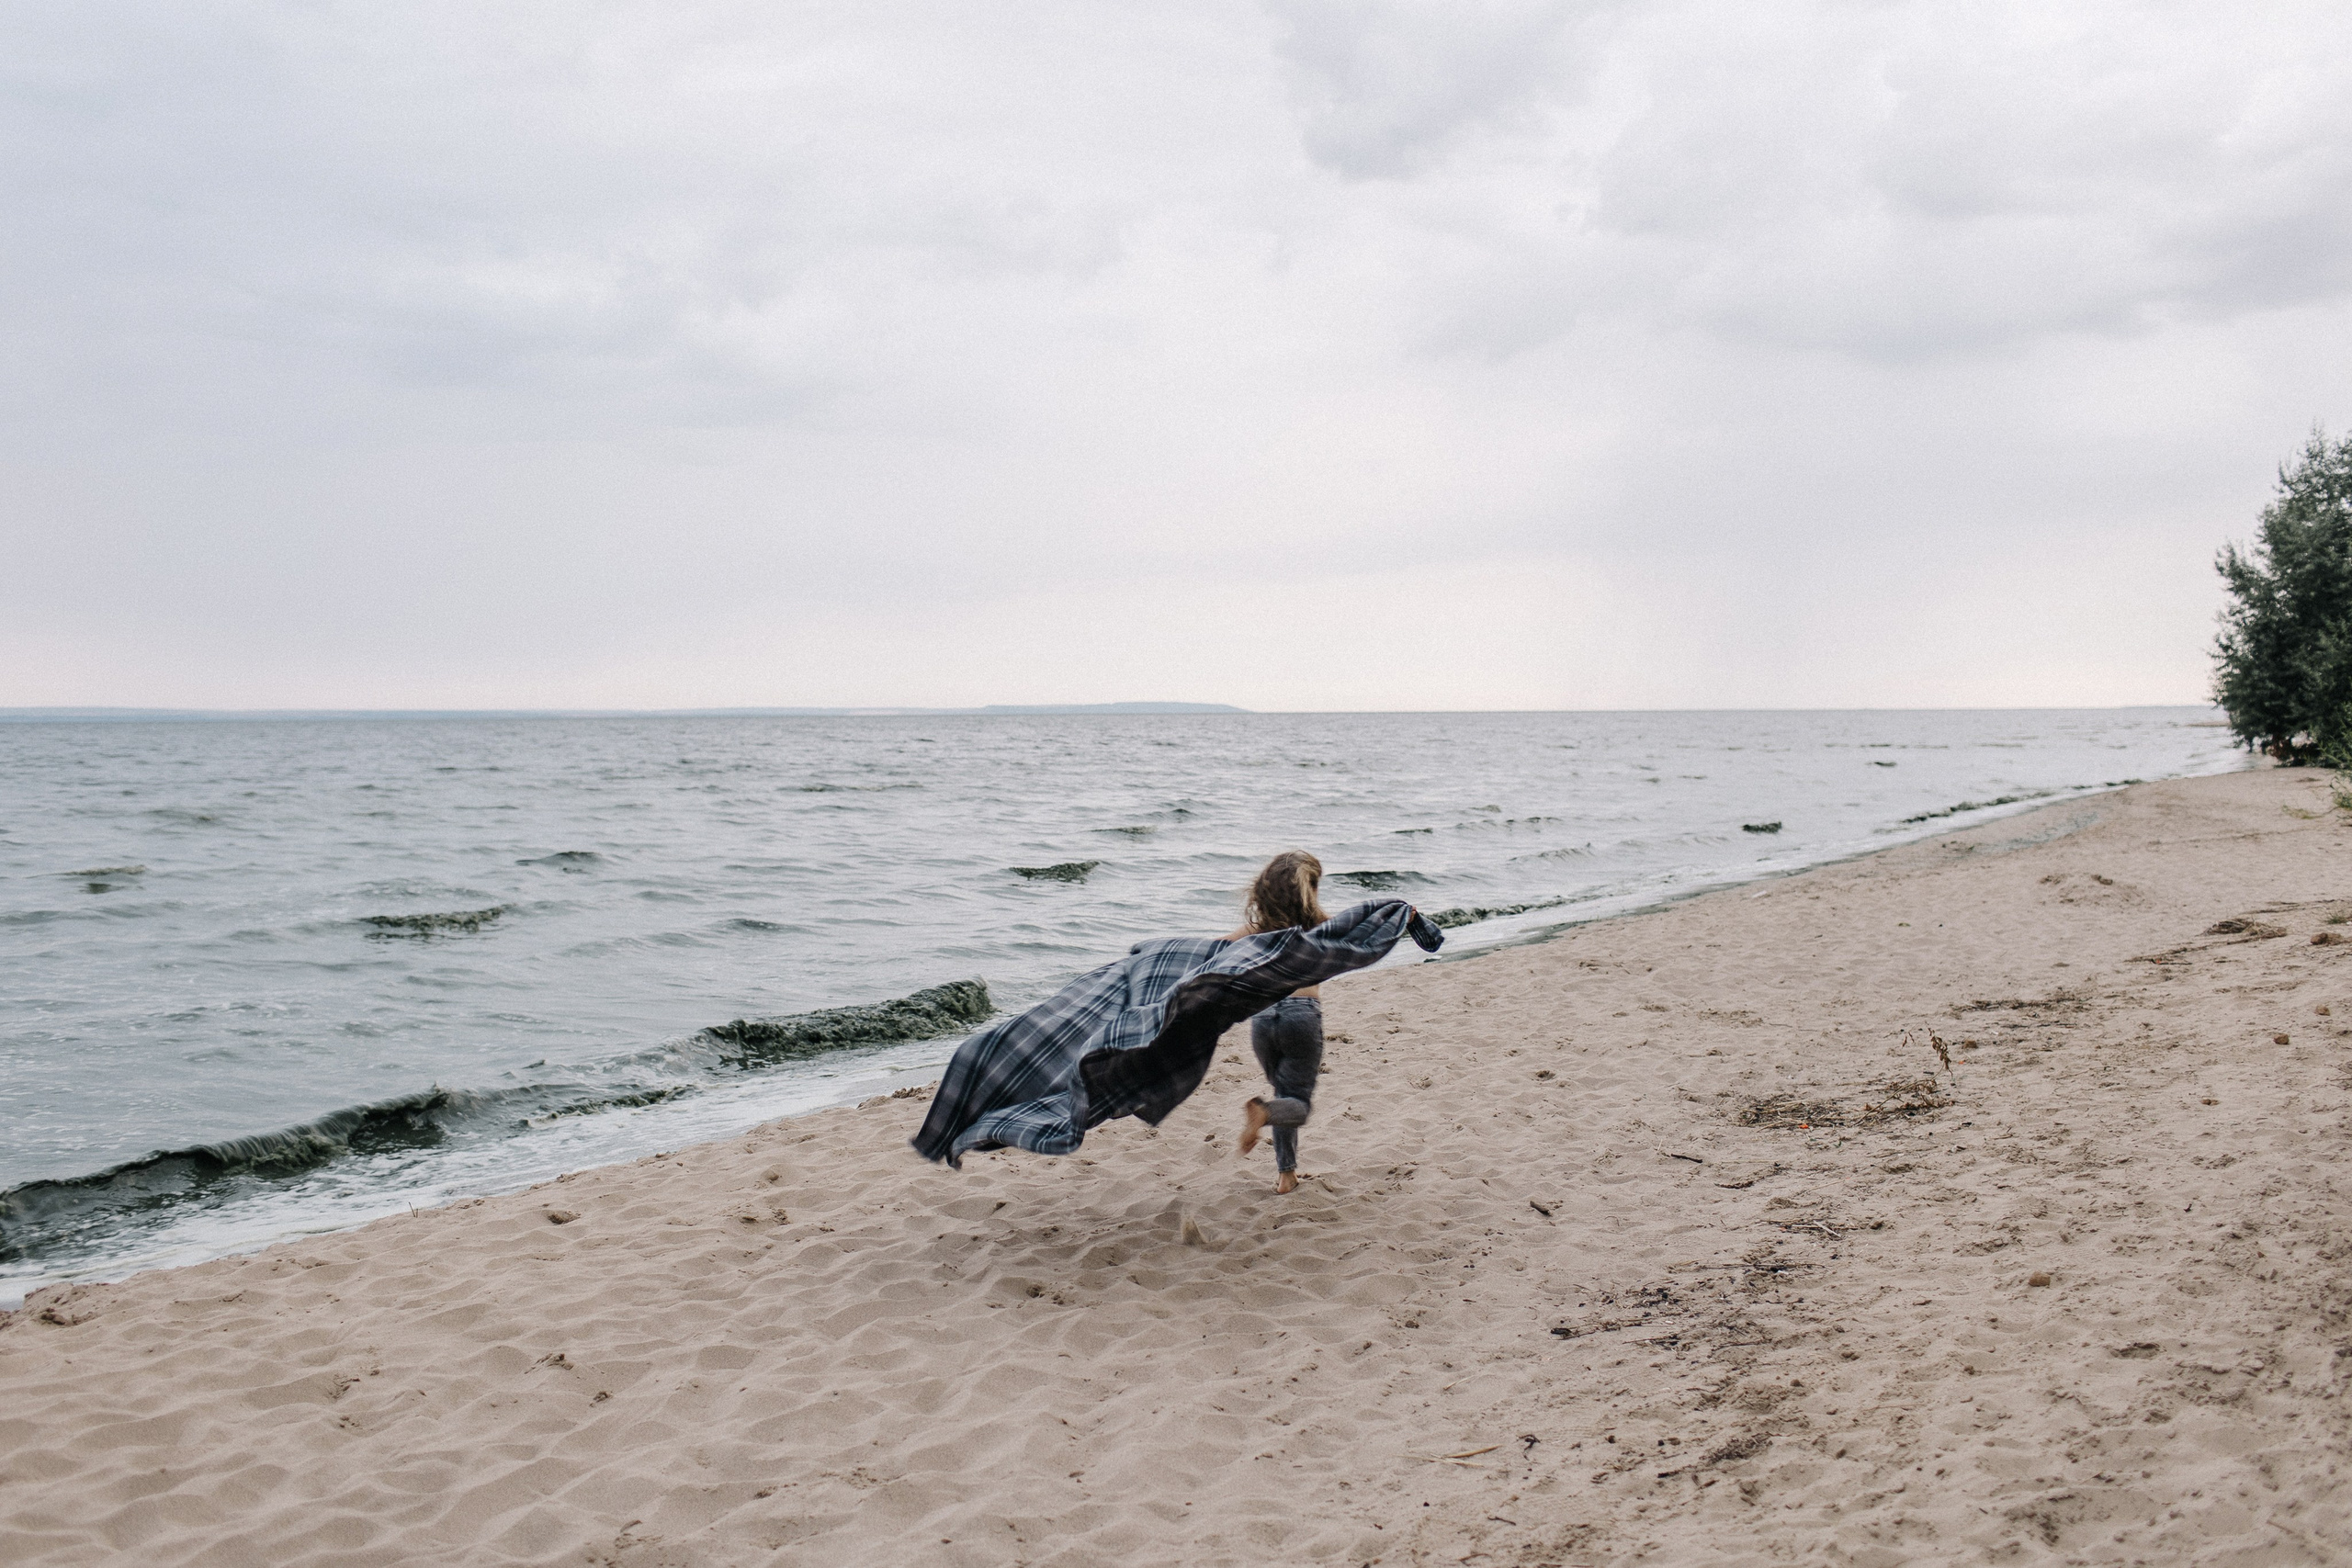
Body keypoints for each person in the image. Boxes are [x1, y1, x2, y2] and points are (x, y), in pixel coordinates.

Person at [1233, 851, 1337, 1194]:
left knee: (1282, 1099)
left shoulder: (1255, 930)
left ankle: (1286, 1175)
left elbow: (1211, 950)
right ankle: (1261, 1113)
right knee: (1297, 1105)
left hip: (1263, 1020)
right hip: (1301, 1017)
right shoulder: (1321, 926)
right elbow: (1367, 931)